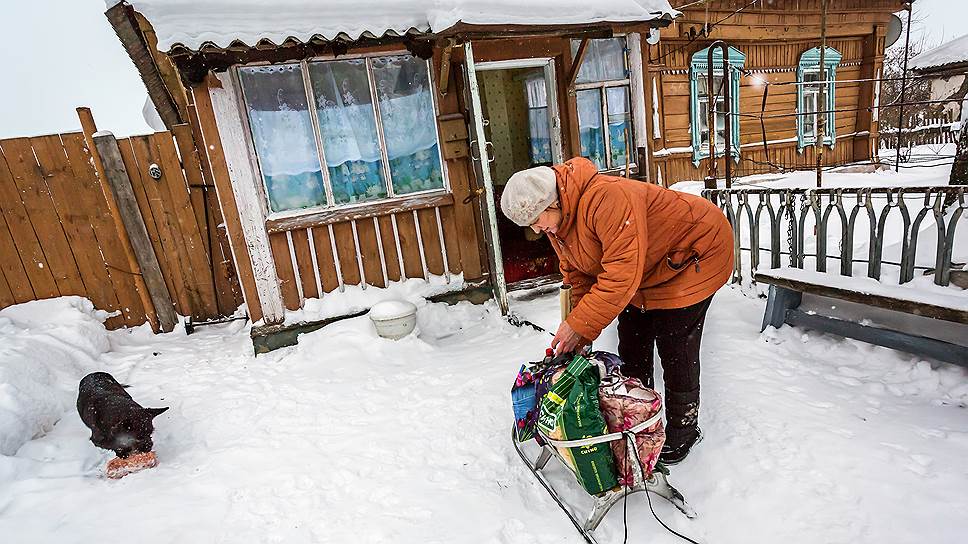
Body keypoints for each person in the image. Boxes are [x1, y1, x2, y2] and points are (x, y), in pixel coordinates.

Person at [499, 156, 734, 464]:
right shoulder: (560, 224)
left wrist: (580, 327)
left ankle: (683, 431)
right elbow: (579, 274)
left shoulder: (608, 198)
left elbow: (620, 277)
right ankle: (637, 418)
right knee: (632, 340)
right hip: (646, 267)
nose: (538, 230)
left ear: (554, 202)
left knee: (675, 345)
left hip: (695, 254)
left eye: (538, 220)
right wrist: (577, 329)